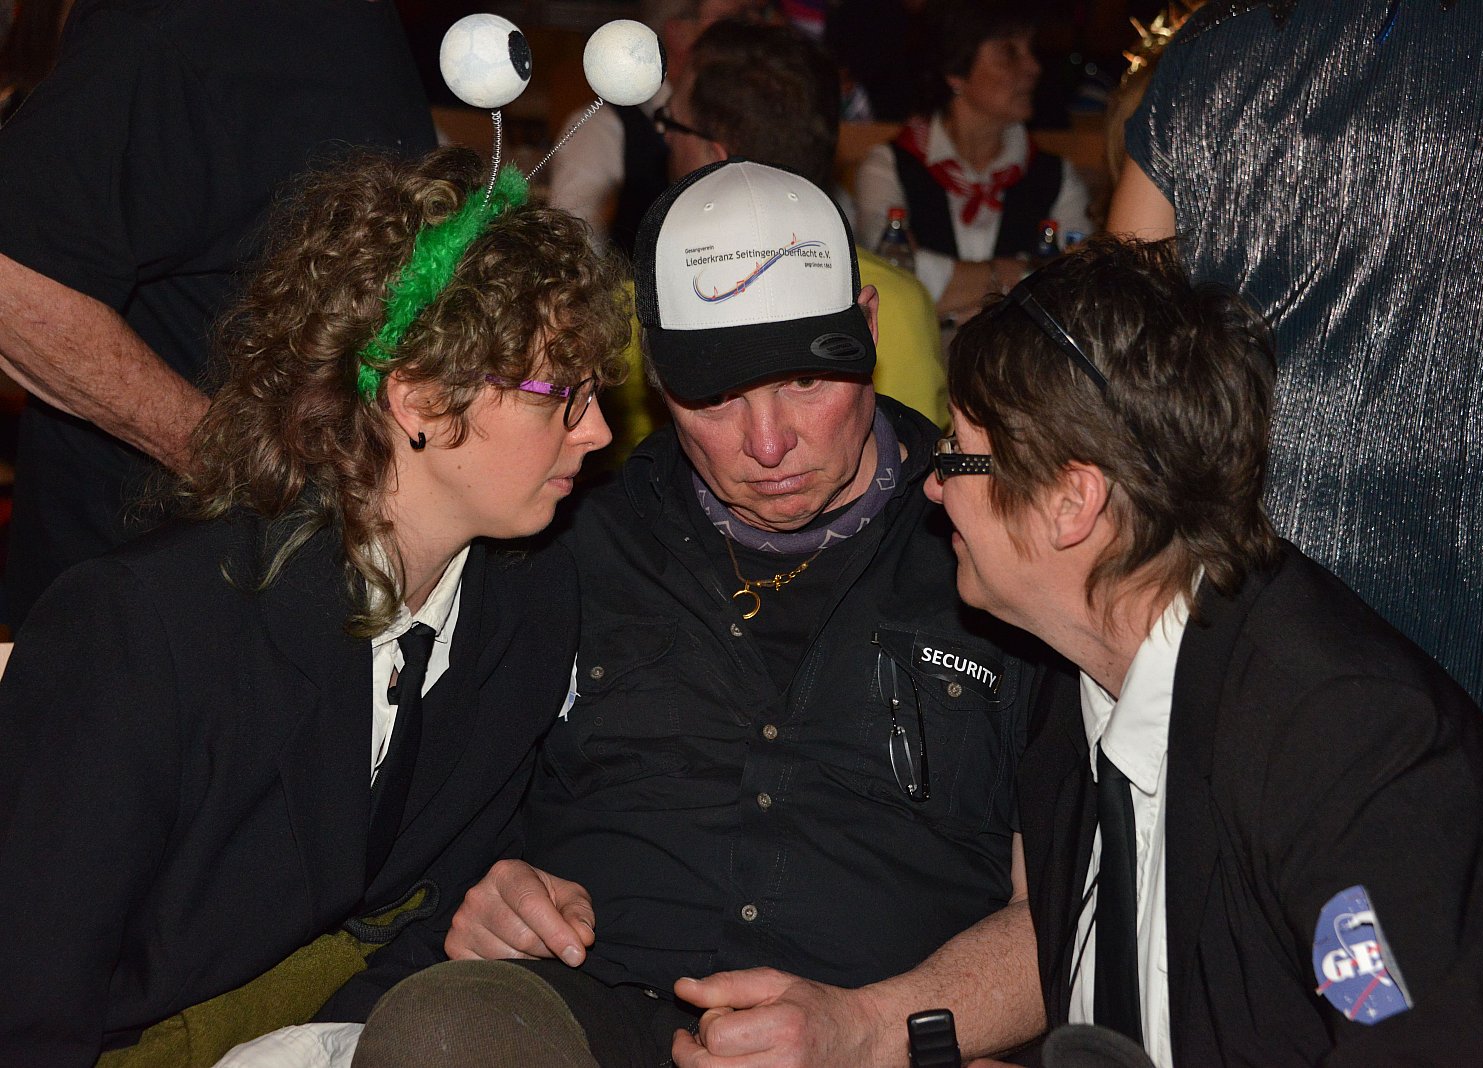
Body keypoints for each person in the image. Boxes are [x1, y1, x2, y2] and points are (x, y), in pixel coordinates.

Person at [343, 160, 1044, 1068]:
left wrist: (872, 1029)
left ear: (867, 328)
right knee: (446, 1033)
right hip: (590, 1016)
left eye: (805, 382)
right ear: (655, 376)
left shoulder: (996, 550)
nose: (768, 443)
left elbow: (1071, 912)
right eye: (714, 397)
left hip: (882, 1032)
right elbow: (438, 832)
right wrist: (490, 894)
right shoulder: (571, 540)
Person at [0, 147, 630, 1068]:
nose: (599, 430)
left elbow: (424, 916)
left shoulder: (527, 604)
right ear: (418, 396)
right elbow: (28, 1001)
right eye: (559, 396)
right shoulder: (142, 630)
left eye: (596, 392)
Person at [925, 238, 1483, 1068]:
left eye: (957, 451)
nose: (934, 484)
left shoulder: (1348, 738)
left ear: (1072, 502)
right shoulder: (1077, 691)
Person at [1105, 0, 1483, 760]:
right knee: (1436, 831)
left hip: (1224, 590)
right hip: (1449, 604)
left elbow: (1121, 333)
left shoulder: (1213, 41)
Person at [0, 0, 436, 631]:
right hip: (148, 596)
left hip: (290, 575)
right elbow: (15, 278)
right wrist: (241, 464)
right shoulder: (194, 23)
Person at [603, 16, 947, 456]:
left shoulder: (635, 314)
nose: (667, 139)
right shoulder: (905, 296)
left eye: (672, 123)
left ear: (719, 159)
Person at [853, 0, 1091, 323]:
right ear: (955, 71)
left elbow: (1075, 285)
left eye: (1030, 50)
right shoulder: (888, 165)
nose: (1033, 66)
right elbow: (889, 278)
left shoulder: (1057, 175)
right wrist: (1021, 272)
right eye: (1009, 52)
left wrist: (945, 282)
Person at [546, 0, 772, 259]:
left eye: (761, 12)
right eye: (736, 18)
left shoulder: (764, 109)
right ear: (678, 31)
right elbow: (571, 247)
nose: (759, 26)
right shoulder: (603, 126)